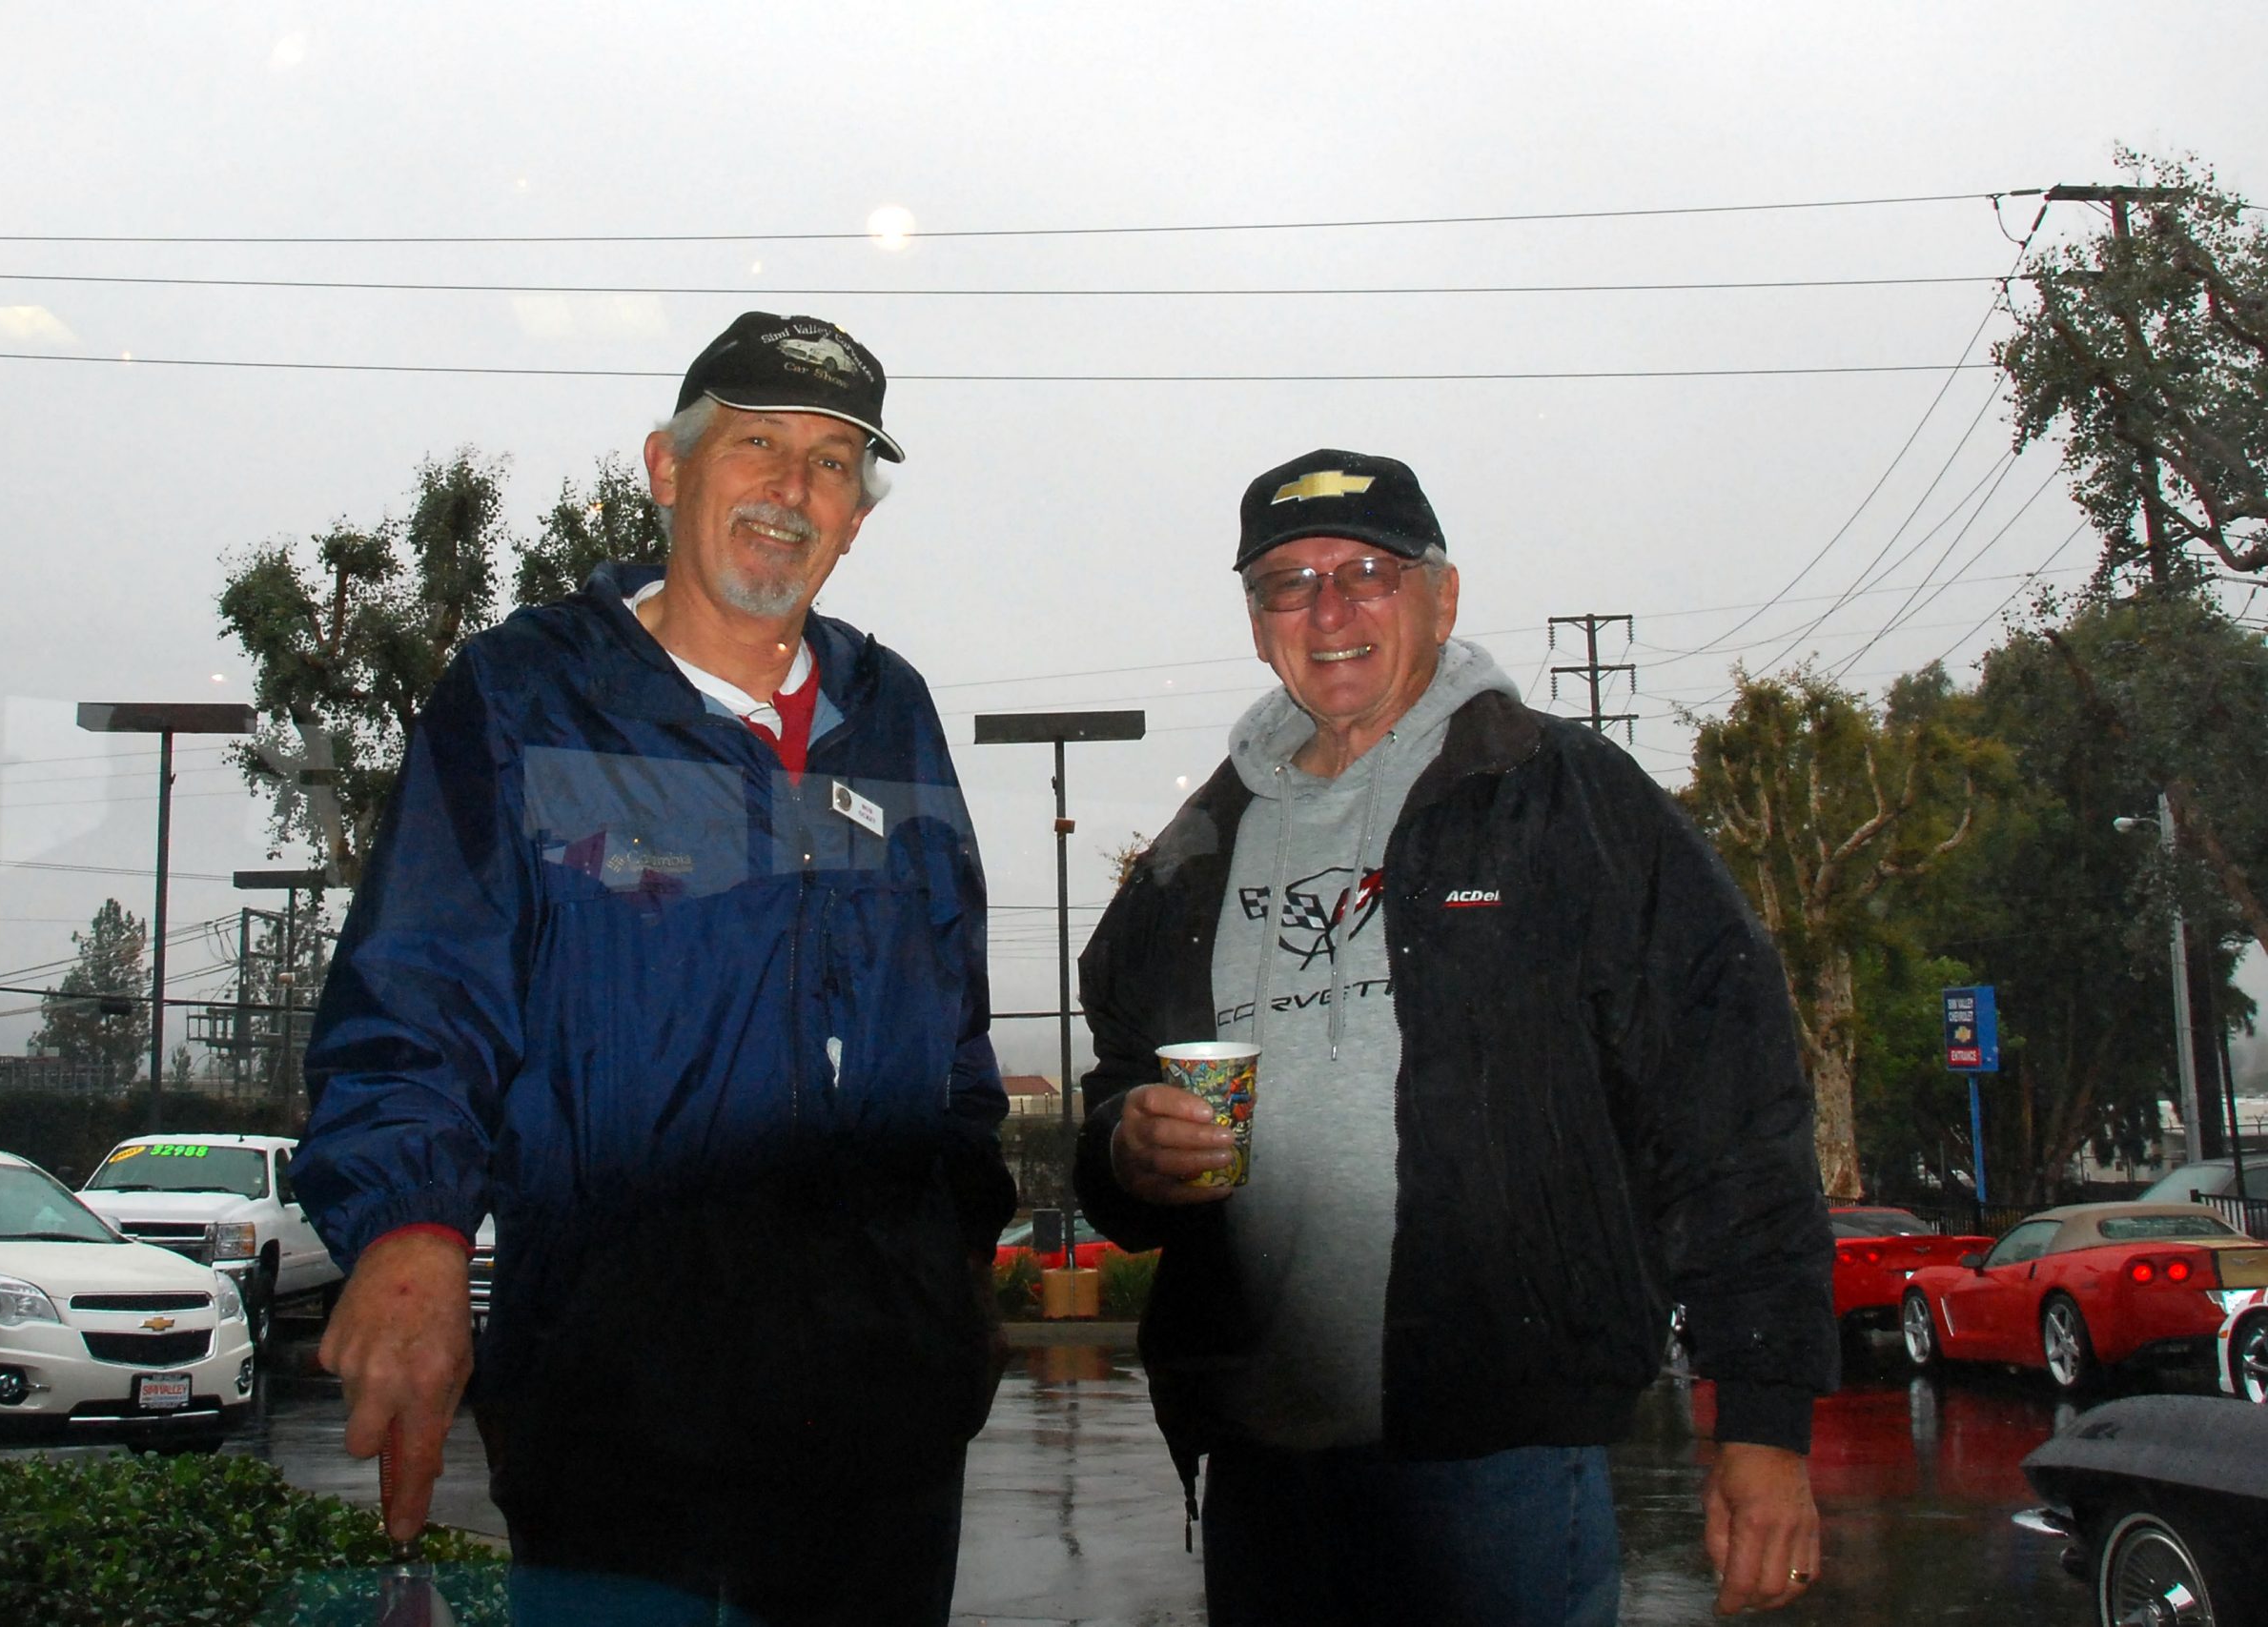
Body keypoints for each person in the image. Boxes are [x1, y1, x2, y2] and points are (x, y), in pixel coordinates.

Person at [293, 313, 1015, 1626]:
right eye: (758, 445)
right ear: (668, 468)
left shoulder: (891, 710)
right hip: (623, 1414)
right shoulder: (525, 699)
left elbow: (954, 1015)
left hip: (886, 1427)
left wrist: (959, 1262)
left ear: (857, 515)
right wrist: (410, 1230)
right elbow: (415, 996)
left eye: (836, 463)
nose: (795, 490)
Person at [1071, 449, 1835, 1625]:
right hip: (1263, 1464)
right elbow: (1118, 1094)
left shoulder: (1564, 797)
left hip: (1503, 1465)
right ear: (1256, 617)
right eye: (1288, 581)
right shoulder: (1196, 849)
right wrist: (1125, 1150)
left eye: (1367, 572)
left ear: (1443, 593)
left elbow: (1730, 1106)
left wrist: (1765, 1421)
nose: (1329, 611)